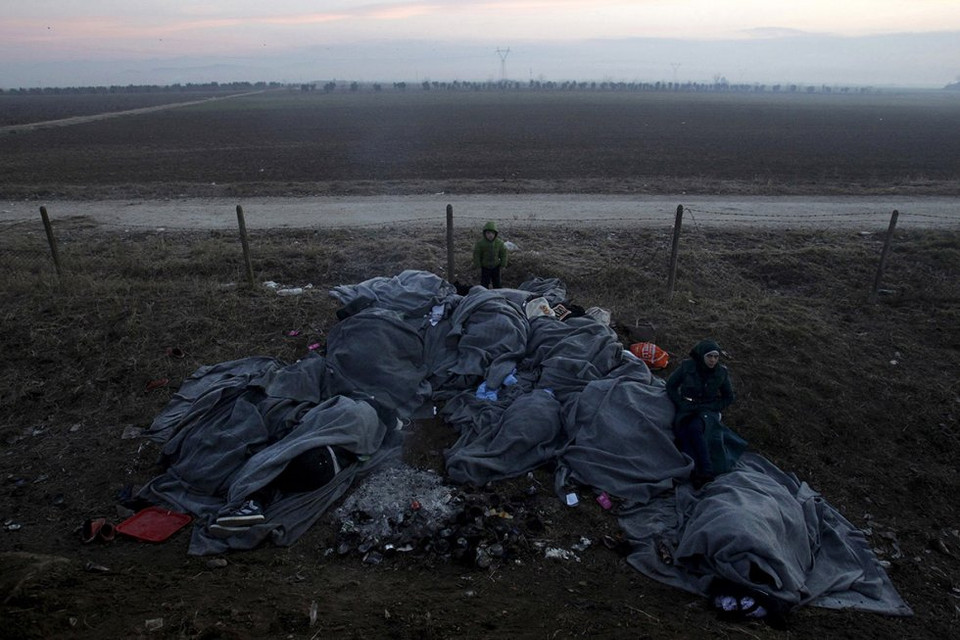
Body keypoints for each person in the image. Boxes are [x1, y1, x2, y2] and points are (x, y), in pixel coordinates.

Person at [665, 339, 737, 487]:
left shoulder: (721, 372)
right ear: (702, 356)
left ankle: (706, 470)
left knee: (695, 429)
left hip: (707, 411)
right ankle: (694, 472)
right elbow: (671, 385)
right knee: (683, 433)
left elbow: (728, 397)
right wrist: (680, 402)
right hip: (688, 408)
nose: (713, 360)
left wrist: (713, 406)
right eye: (709, 356)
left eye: (716, 357)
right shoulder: (687, 367)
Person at [472, 221, 508, 289]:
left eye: (492, 233)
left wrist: (503, 264)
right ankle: (484, 295)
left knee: (497, 283)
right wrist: (478, 265)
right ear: (484, 234)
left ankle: (498, 295)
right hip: (485, 267)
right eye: (488, 233)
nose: (490, 235)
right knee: (484, 283)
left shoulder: (499, 243)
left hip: (496, 266)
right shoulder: (480, 244)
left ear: (495, 234)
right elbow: (476, 255)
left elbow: (503, 253)